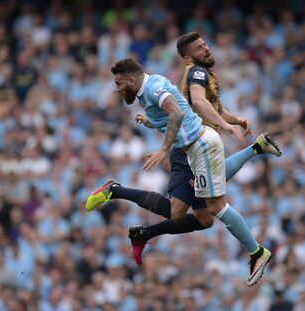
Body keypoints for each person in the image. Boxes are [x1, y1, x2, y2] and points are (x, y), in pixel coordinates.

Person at [88, 57, 275, 285]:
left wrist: (162, 150)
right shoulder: (147, 87)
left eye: (118, 84)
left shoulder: (155, 88)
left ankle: (257, 252)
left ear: (129, 80)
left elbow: (176, 113)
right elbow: (173, 113)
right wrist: (150, 122)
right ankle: (257, 147)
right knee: (204, 217)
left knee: (212, 206)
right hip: (195, 147)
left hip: (198, 147)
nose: (117, 89)